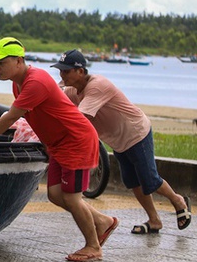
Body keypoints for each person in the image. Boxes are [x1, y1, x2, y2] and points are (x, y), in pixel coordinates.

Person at [0, 37, 118, 262]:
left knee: (72, 199)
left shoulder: (36, 82)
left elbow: (12, 116)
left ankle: (93, 246)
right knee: (54, 195)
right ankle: (103, 222)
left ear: (18, 60)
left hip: (76, 141)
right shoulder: (18, 83)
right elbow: (34, 116)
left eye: (1, 63)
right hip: (57, 144)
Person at [53, 49, 191, 234]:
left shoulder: (97, 86)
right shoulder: (71, 89)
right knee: (133, 182)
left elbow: (80, 119)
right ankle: (154, 220)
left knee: (150, 179)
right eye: (60, 70)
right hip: (118, 141)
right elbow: (56, 100)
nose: (62, 74)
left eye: (66, 71)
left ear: (81, 71)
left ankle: (179, 201)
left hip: (136, 134)